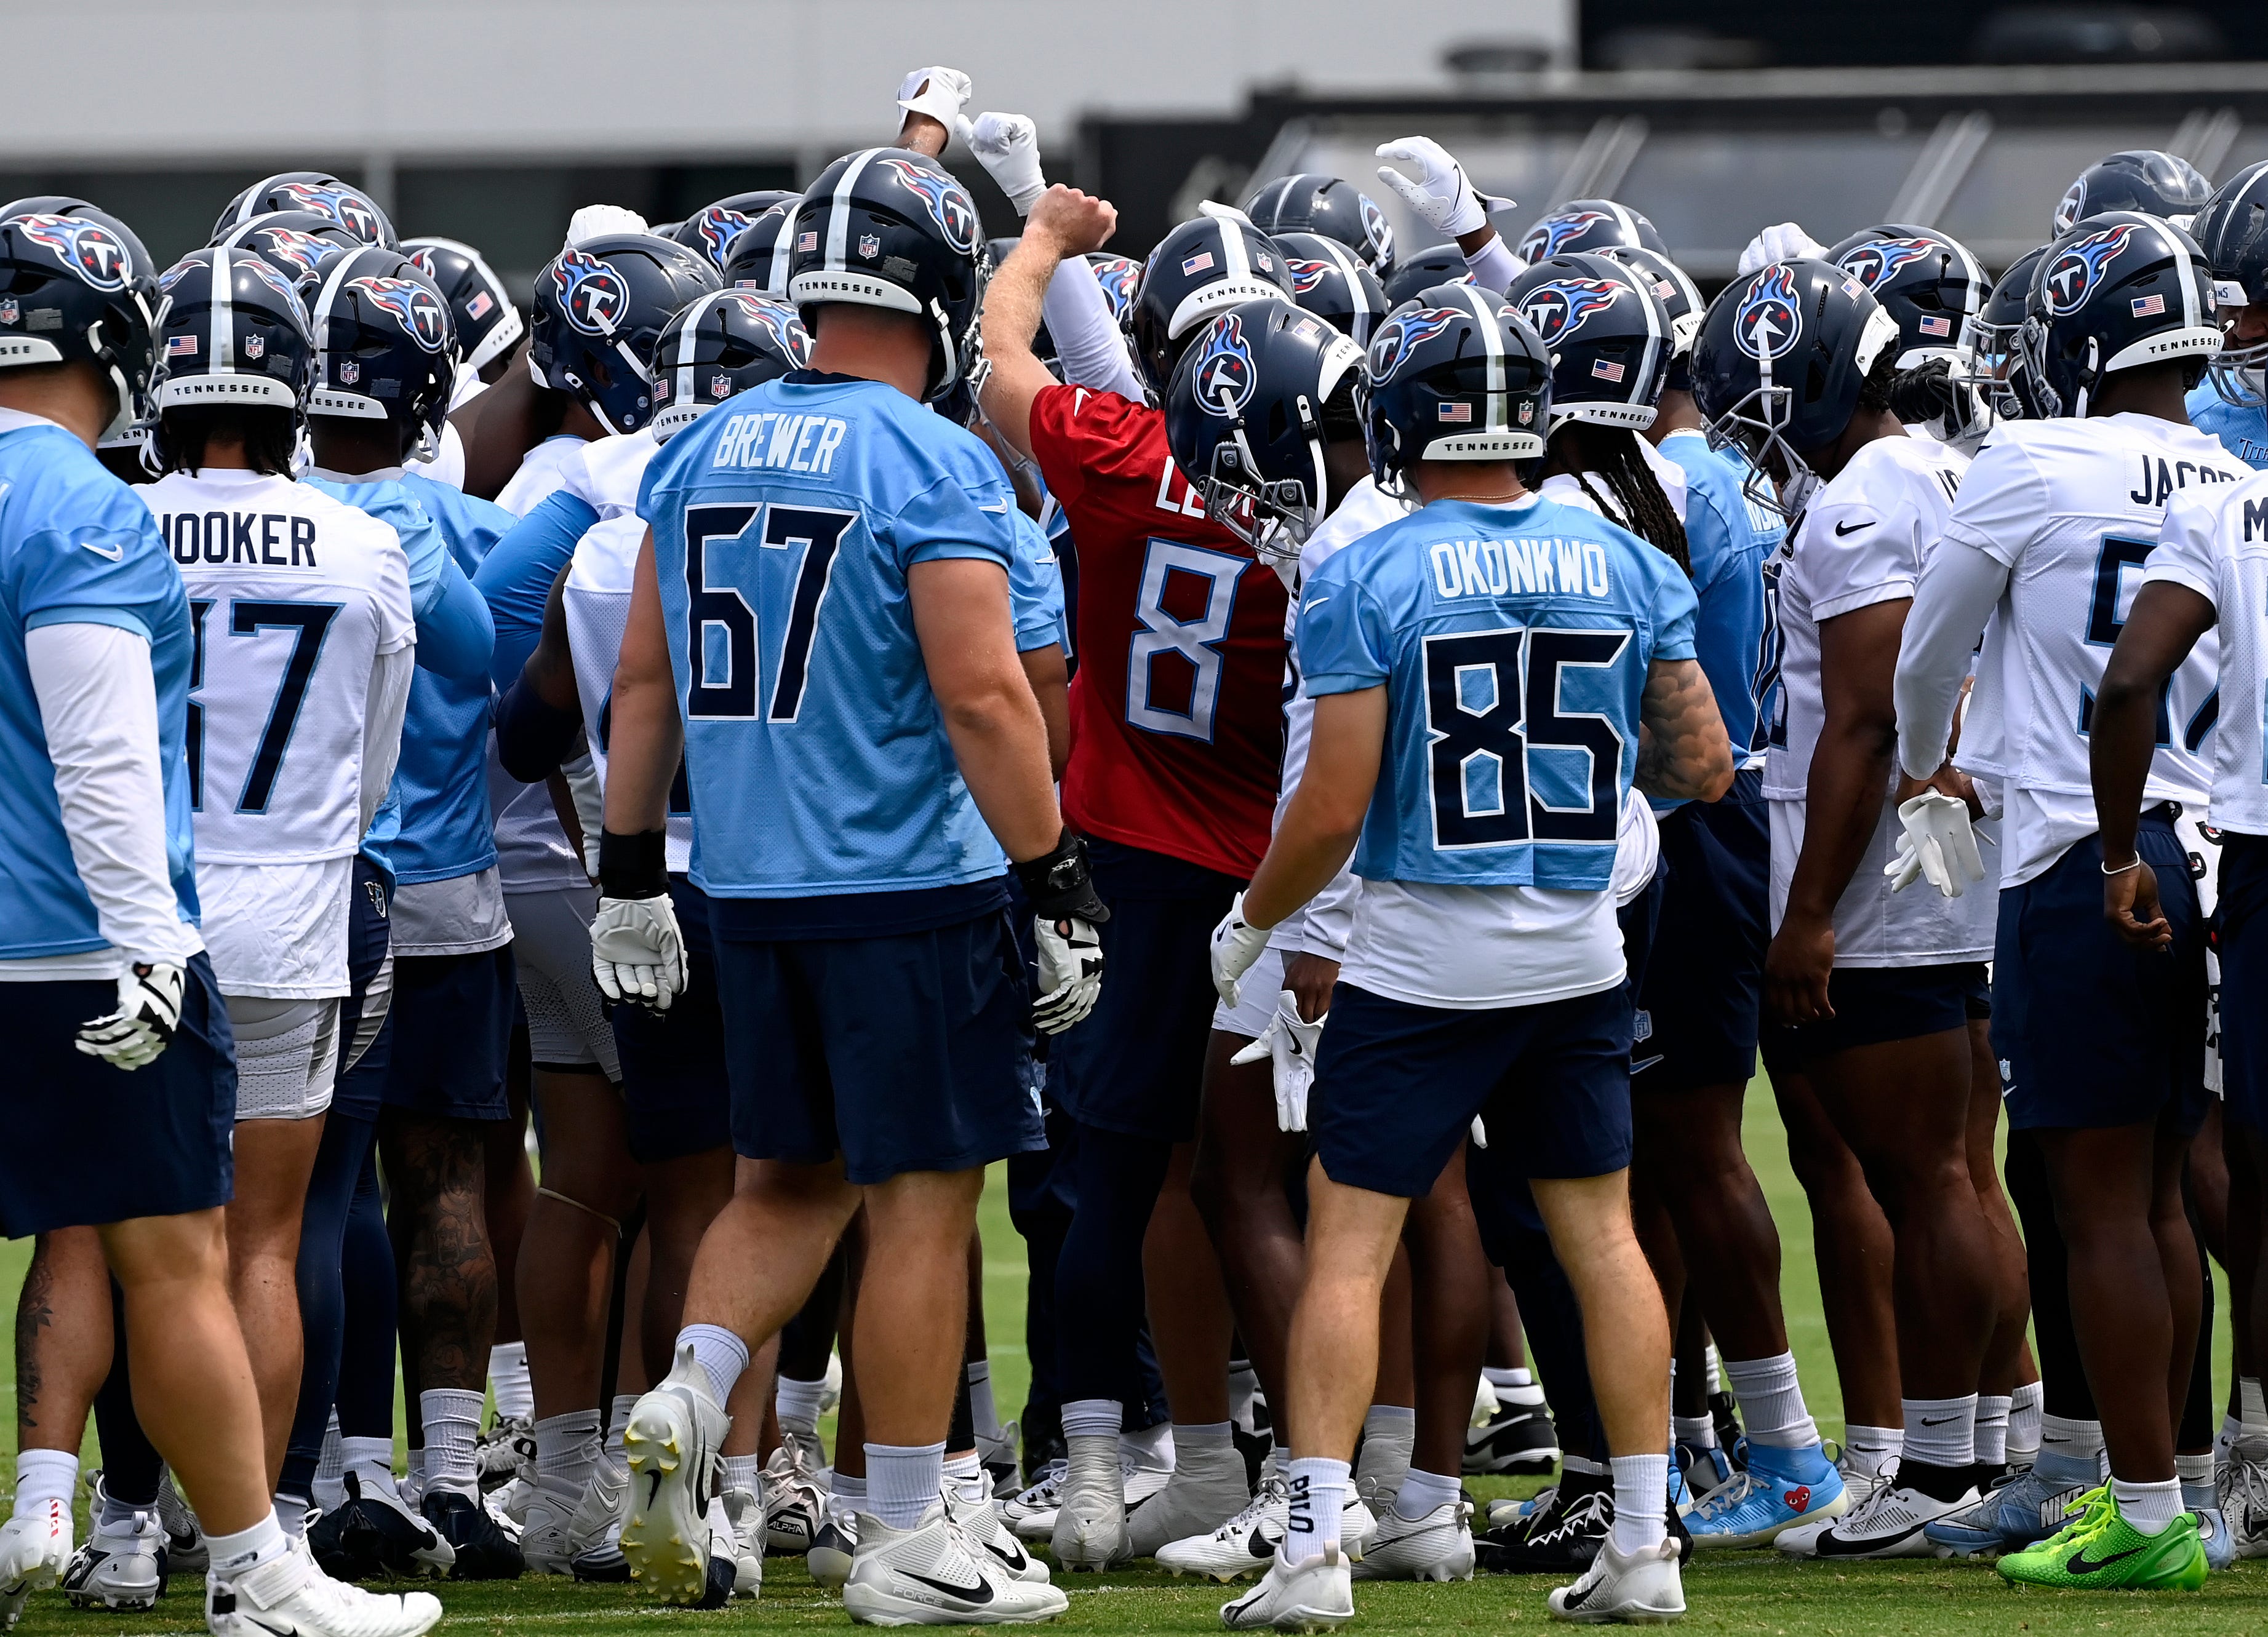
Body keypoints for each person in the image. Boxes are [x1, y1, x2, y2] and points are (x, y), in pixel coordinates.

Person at [602, 144, 1096, 1626]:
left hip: (746, 883)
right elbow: (989, 699)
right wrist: (1056, 872)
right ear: (939, 293)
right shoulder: (934, 459)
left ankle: (692, 1394)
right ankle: (906, 1539)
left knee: (781, 1183)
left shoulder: (699, 447)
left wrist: (631, 870)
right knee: (922, 1201)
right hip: (906, 882)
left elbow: (641, 682)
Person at [1210, 281, 1732, 1629]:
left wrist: (1257, 918)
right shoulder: (1627, 554)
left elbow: (1330, 806)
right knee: (1601, 1239)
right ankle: (1643, 1539)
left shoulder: (1369, 563)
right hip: (1573, 948)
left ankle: (1317, 1549)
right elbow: (1702, 766)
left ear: (1399, 417)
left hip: (1423, 958)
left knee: (1347, 1244)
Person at [0, 208, 439, 1637]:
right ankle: (255, 1562)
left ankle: (91, 1514)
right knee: (195, 1252)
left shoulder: (112, 503)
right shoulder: (79, 505)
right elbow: (107, 747)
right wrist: (146, 933)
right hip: (100, 933)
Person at [1894, 210, 2234, 1588]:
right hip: (2211, 849)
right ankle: (2186, 1487)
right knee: (2163, 1192)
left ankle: (2143, 1509)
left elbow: (1930, 648)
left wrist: (1931, 765)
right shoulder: (2219, 466)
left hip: (2080, 854)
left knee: (2090, 1198)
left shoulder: (2030, 456)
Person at [979, 163, 1300, 1566]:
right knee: (1262, 1188)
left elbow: (1004, 362)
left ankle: (1100, 1461)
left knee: (1110, 1176)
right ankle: (1321, 1474)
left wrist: (1038, 236)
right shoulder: (1333, 509)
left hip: (1129, 857)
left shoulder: (1114, 461)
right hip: (1274, 872)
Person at [1692, 258, 2002, 1558]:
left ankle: (1935, 1471)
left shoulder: (1862, 503)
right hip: (1955, 866)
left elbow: (1868, 719)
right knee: (1962, 1174)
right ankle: (1979, 1450)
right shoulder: (1934, 467)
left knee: (1923, 1175)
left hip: (1888, 886)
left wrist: (1807, 908)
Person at [138, 247, 417, 1543]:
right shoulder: (362, 541)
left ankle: (117, 1522)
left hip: (132, 908)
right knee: (260, 1241)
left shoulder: (114, 522)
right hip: (291, 910)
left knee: (121, 1240)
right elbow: (373, 763)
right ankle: (257, 1539)